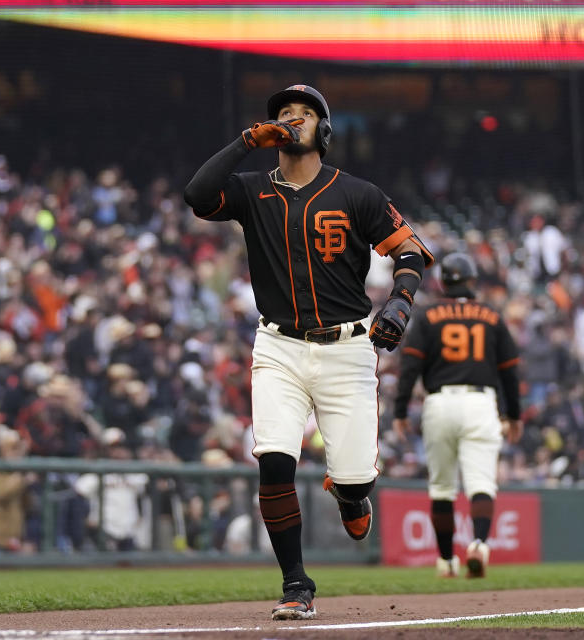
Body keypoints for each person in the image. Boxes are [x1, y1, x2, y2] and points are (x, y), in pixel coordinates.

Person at [183, 84, 433, 619]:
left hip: (347, 347)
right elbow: (197, 195)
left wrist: (401, 302)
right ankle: (296, 585)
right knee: (274, 460)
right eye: (283, 114)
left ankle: (349, 494)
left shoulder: (358, 193)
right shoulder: (252, 189)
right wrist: (245, 141)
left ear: (325, 130)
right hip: (279, 345)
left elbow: (410, 250)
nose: (292, 119)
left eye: (304, 114)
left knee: (355, 478)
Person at [392, 252, 522, 579]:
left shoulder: (428, 314)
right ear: (472, 280)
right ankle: (478, 543)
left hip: (440, 403)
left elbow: (410, 364)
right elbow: (509, 371)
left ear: (443, 282)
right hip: (481, 403)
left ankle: (447, 560)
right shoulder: (491, 315)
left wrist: (401, 408)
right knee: (481, 483)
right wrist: (513, 414)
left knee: (441, 487)